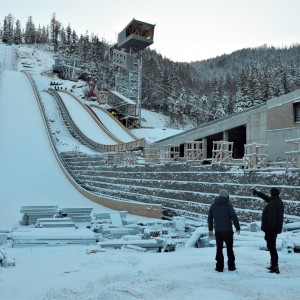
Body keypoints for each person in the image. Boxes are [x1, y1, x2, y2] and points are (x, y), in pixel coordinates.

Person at [252, 187, 284, 274]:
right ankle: (273, 265)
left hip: (271, 230)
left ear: (272, 193)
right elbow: (266, 198)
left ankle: (275, 267)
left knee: (272, 248)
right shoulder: (276, 201)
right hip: (274, 229)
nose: (269, 194)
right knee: (271, 247)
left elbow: (272, 219)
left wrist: (268, 232)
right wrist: (258, 193)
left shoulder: (274, 204)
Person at [208, 189, 240, 272]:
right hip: (228, 231)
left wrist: (210, 229)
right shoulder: (228, 205)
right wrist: (237, 227)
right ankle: (231, 266)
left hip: (218, 231)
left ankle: (219, 267)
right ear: (226, 196)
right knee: (229, 248)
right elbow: (234, 217)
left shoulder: (213, 205)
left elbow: (210, 218)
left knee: (219, 249)